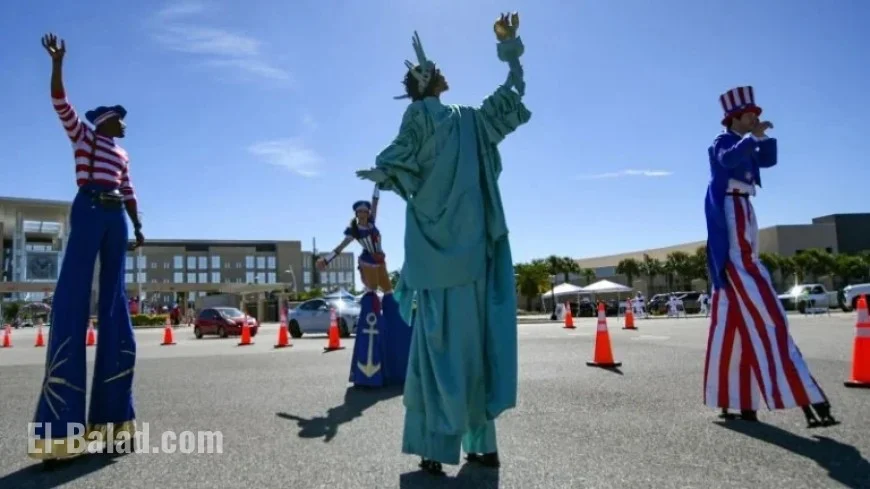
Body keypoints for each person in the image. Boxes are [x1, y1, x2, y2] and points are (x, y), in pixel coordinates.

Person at [354, 12, 530, 475]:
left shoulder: (456, 119)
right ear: (426, 79)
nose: (441, 69)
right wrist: (510, 48)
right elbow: (513, 92)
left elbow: (396, 159)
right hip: (469, 257)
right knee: (470, 349)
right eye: (433, 68)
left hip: (436, 258)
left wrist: (386, 170)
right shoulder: (460, 121)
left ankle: (436, 446)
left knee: (436, 354)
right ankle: (480, 443)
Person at [30, 33, 145, 466]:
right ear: (106, 122)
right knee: (73, 297)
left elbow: (130, 190)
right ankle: (60, 430)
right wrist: (58, 64)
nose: (126, 125)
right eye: (121, 120)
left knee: (115, 305)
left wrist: (138, 225)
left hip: (115, 216)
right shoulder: (84, 136)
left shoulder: (123, 154)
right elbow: (61, 103)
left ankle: (114, 423)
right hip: (90, 207)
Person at [702, 86, 838, 428]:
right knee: (747, 275)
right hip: (732, 206)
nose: (755, 118)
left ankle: (733, 398)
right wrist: (752, 138)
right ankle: (791, 392)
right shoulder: (722, 141)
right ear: (735, 118)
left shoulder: (744, 141)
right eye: (750, 115)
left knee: (730, 317)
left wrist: (764, 139)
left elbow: (768, 160)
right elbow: (727, 160)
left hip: (745, 204)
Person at [317, 185, 412, 388]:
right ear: (355, 214)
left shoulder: (372, 223)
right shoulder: (355, 231)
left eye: (365, 211)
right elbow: (341, 247)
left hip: (380, 262)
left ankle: (397, 331)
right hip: (368, 263)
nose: (362, 214)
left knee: (389, 294)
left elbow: (376, 202)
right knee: (371, 296)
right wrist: (326, 260)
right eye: (359, 212)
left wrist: (378, 184)